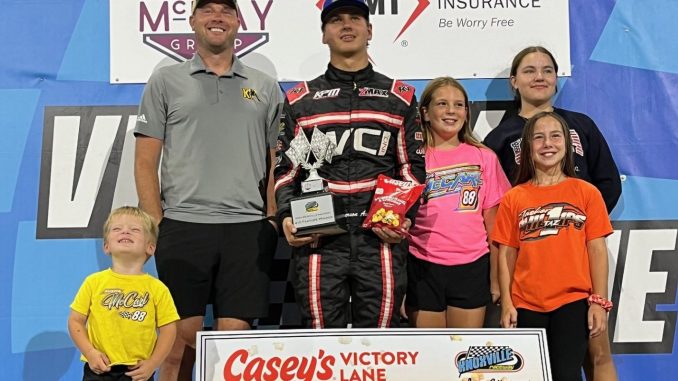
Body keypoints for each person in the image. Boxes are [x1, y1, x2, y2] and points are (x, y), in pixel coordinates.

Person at [134, 0, 282, 379]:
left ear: (237, 22)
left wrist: (270, 218)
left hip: (248, 228)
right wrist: (156, 221)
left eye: (226, 11)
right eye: (208, 10)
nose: (217, 17)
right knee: (179, 341)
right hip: (183, 225)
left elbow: (276, 160)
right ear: (193, 21)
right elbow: (145, 159)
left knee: (235, 344)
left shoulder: (265, 87)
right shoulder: (166, 81)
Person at [274, 0, 426, 328]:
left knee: (382, 341)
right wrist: (287, 216)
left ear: (369, 30)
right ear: (324, 34)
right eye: (336, 20)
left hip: (380, 239)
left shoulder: (398, 98)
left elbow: (412, 167)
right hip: (319, 239)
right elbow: (288, 169)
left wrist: (401, 218)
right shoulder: (302, 101)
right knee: (321, 340)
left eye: (355, 18)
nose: (346, 25)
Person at [484, 46, 620, 380]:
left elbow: (608, 183)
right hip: (529, 275)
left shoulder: (581, 125)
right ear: (514, 81)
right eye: (529, 70)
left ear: (557, 78)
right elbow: (495, 208)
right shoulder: (500, 137)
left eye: (547, 69)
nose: (539, 76)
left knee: (596, 351)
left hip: (579, 261)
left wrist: (579, 227)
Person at [406, 77, 511, 328]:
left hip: (472, 267)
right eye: (442, 103)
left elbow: (495, 229)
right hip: (421, 266)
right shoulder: (410, 158)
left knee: (463, 357)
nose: (451, 111)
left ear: (466, 112)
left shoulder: (484, 157)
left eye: (459, 104)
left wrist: (496, 281)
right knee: (432, 355)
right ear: (425, 113)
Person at [68, 206, 179, 381]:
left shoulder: (157, 289)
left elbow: (169, 329)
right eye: (117, 229)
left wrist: (153, 363)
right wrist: (90, 353)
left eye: (135, 229)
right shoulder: (94, 282)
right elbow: (75, 320)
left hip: (137, 372)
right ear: (106, 246)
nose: (125, 231)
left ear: (150, 247)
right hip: (99, 370)